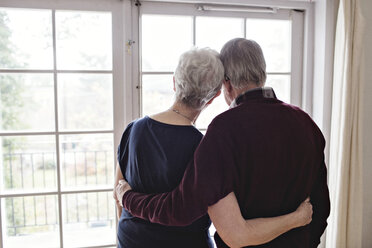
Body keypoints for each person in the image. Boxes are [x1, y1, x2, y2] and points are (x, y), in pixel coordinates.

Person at [116, 39, 331, 248]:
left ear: (225, 84)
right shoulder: (306, 122)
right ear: (263, 74)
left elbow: (180, 208)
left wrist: (126, 197)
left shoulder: (223, 130)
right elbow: (320, 207)